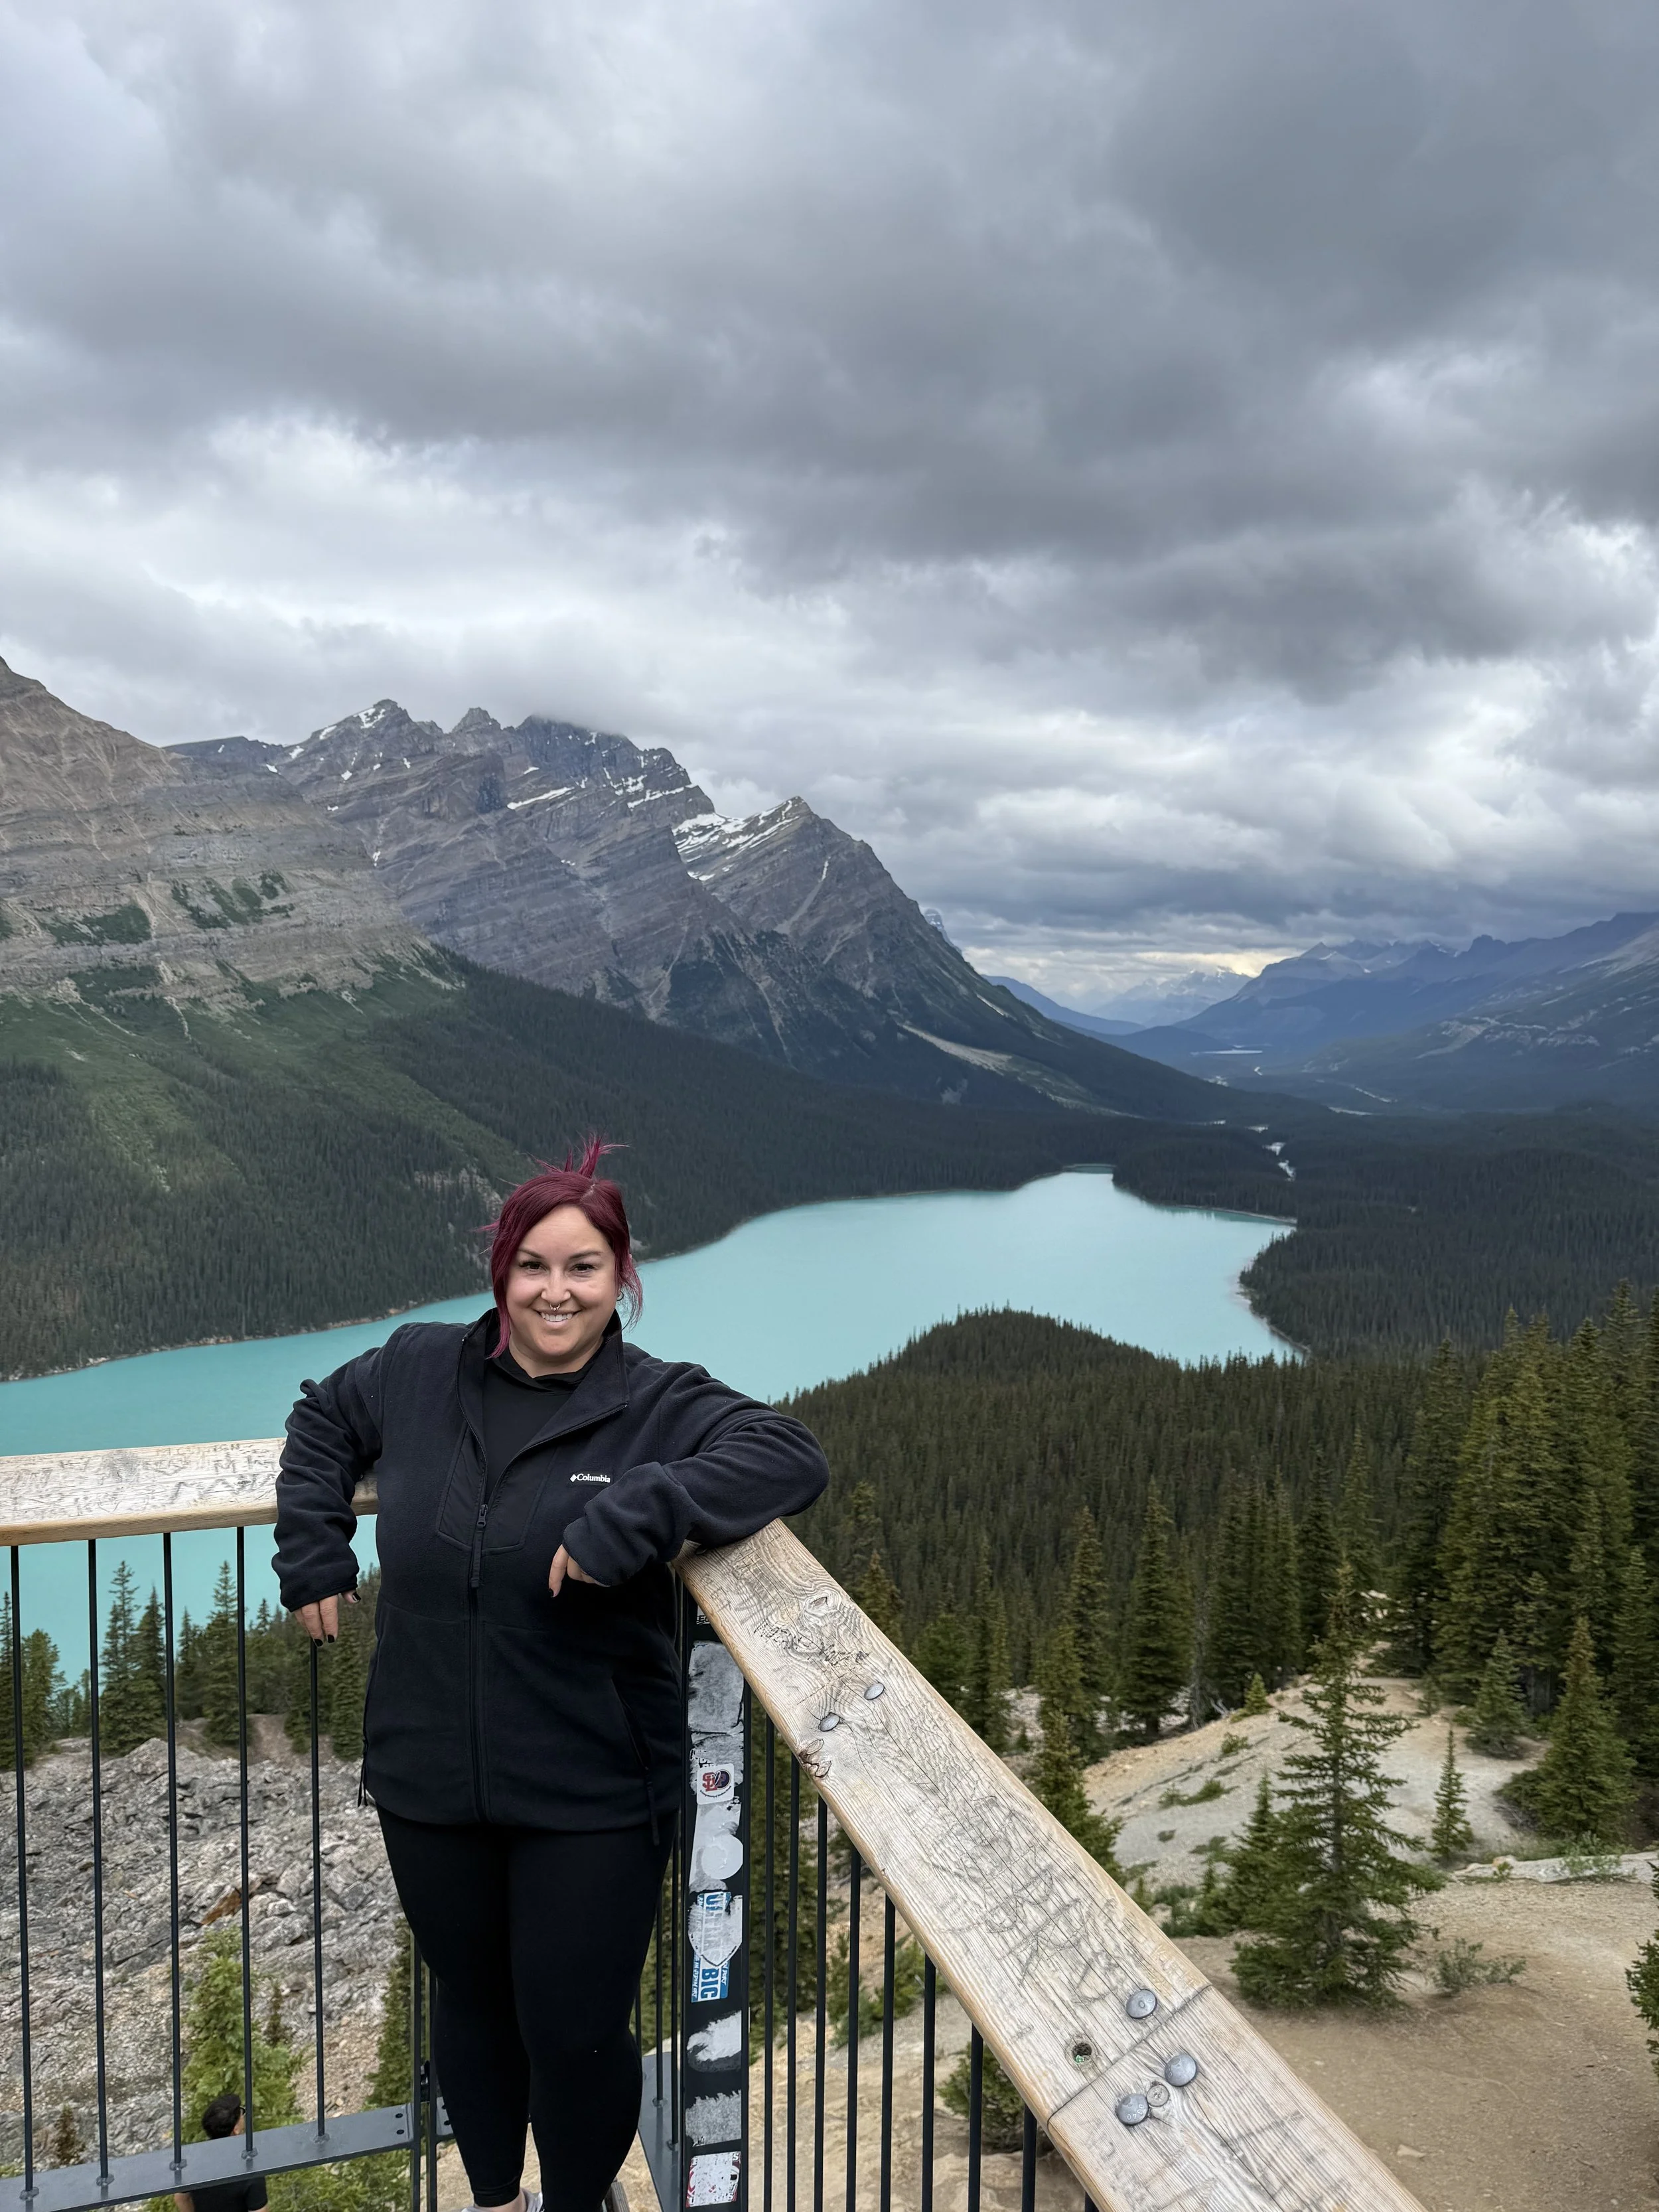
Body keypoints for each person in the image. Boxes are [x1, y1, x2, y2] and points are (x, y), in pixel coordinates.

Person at [273, 1142, 830, 2212]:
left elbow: (789, 1453)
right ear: (501, 1273)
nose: (556, 1290)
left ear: (621, 1276)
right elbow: (321, 1419)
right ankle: (495, 2201)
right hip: (429, 1769)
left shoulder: (657, 1400)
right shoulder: (420, 1365)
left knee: (573, 2029)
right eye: (533, 1264)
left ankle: (579, 2202)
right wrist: (314, 1546)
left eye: (584, 1266)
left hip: (594, 1784)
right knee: (471, 2007)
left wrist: (642, 1507)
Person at [173, 2092, 265, 2212]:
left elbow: (181, 2198)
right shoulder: (249, 2167)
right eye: (241, 2113)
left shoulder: (192, 2161)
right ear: (235, 2129)